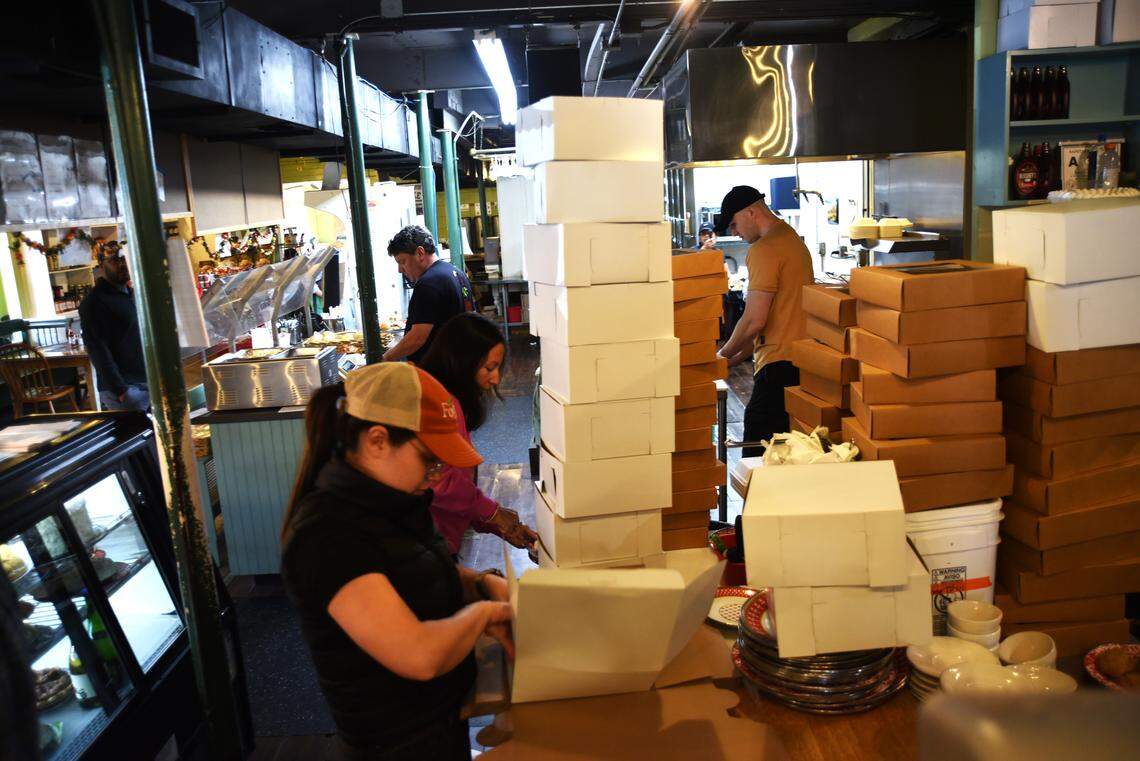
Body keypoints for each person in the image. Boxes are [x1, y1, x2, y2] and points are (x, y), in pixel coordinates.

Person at [280, 362, 513, 761]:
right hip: (394, 747)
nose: (437, 476)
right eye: (431, 461)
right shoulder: (327, 535)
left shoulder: (395, 503)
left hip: (439, 726)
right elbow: (419, 655)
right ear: (377, 441)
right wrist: (483, 615)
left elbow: (418, 569)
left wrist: (479, 584)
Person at [418, 313, 538, 555]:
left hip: (442, 537)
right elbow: (441, 481)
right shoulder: (437, 404)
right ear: (462, 361)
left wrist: (495, 522)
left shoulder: (451, 401)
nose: (496, 378)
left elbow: (456, 477)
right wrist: (491, 513)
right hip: (428, 539)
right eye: (489, 368)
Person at [714, 186, 812, 455]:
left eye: (734, 224)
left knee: (757, 453)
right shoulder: (791, 238)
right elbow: (771, 322)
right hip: (800, 362)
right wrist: (732, 360)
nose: (734, 232)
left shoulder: (764, 249)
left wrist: (722, 353)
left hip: (778, 367)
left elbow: (755, 319)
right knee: (785, 453)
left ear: (752, 212)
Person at [383, 226, 474, 364]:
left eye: (402, 262)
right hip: (460, 362)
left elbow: (417, 337)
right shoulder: (456, 272)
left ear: (420, 253)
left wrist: (386, 357)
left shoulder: (428, 283)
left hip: (439, 370)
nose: (400, 270)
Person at [78, 244, 149, 412]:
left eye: (125, 259)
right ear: (101, 265)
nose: (123, 264)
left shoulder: (130, 293)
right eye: (115, 261)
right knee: (136, 437)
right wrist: (121, 390)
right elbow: (97, 350)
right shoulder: (94, 302)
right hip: (126, 389)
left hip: (146, 381)